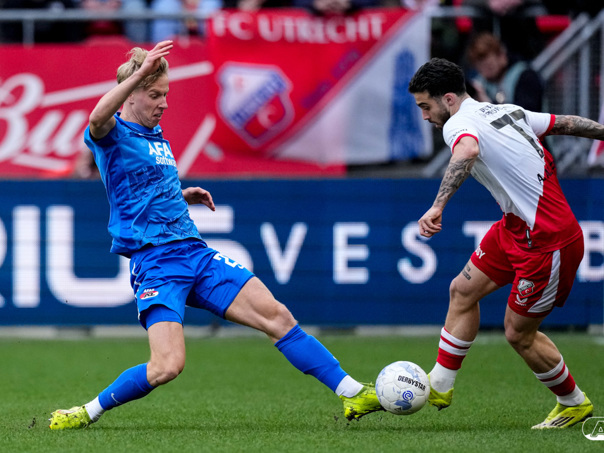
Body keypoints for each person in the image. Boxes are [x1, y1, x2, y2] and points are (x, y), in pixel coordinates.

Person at [48, 40, 383, 430]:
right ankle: (87, 411)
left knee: (277, 316)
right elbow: (96, 118)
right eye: (155, 95)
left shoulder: (157, 137)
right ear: (132, 94)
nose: (164, 103)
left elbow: (143, 191)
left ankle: (351, 391)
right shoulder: (113, 134)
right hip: (157, 264)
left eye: (166, 94)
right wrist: (139, 74)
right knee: (167, 366)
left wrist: (180, 195)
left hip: (196, 254)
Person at [407, 57, 600, 429]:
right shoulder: (507, 110)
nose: (425, 115)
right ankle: (440, 386)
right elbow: (567, 123)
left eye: (425, 106)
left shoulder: (457, 123)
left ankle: (573, 402)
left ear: (448, 99)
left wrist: (437, 206)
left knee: (518, 333)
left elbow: (467, 151)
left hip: (547, 240)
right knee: (462, 291)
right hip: (514, 227)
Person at [466, 32, 543, 112]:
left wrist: (489, 104)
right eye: (480, 67)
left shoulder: (525, 76)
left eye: (489, 66)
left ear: (501, 55)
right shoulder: (479, 83)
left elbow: (526, 112)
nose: (485, 72)